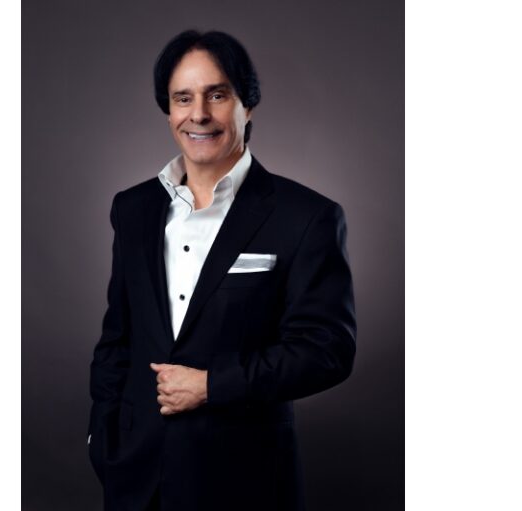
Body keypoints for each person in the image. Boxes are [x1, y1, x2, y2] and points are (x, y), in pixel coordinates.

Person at [88, 29, 356, 511]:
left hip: (244, 480)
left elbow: (326, 351)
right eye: (182, 98)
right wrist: (102, 438)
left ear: (246, 106)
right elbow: (117, 341)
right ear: (168, 110)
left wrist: (212, 385)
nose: (199, 114)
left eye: (217, 95)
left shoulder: (306, 216)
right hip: (135, 477)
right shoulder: (133, 209)